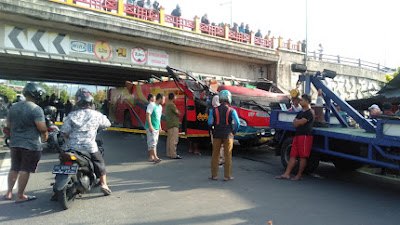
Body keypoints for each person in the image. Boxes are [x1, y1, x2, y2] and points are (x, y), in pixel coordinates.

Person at [60, 88, 112, 195]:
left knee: (62, 162)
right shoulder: (96, 115)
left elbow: (64, 131)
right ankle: (103, 184)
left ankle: (56, 188)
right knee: (99, 162)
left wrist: (71, 137)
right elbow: (107, 124)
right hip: (89, 146)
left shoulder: (72, 115)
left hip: (72, 147)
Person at [4, 83, 48, 203]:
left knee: (14, 168)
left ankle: (8, 193)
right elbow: (41, 127)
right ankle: (20, 195)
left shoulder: (14, 107)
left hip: (15, 143)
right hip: (30, 144)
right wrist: (45, 133)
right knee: (25, 169)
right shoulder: (36, 109)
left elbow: (8, 125)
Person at [276, 94, 314, 181]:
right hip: (297, 135)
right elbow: (294, 123)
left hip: (305, 136)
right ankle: (287, 174)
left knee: (302, 156)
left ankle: (299, 175)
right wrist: (298, 122)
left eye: (302, 100)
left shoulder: (309, 113)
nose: (300, 102)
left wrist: (298, 122)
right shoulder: (301, 113)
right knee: (293, 155)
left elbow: (300, 122)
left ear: (307, 102)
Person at [208, 90, 240, 181]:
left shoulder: (213, 110)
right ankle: (227, 176)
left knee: (215, 155)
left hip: (217, 134)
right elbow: (237, 123)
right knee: (227, 155)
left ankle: (214, 175)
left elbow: (210, 122)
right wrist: (234, 132)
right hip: (228, 135)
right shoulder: (232, 110)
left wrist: (214, 129)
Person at [145, 93, 165, 163]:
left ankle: (151, 157)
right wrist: (150, 126)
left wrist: (160, 127)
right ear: (160, 99)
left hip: (156, 127)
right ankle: (156, 157)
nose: (164, 101)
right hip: (151, 127)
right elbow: (148, 115)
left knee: (154, 142)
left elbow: (158, 118)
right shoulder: (152, 105)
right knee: (152, 142)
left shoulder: (160, 107)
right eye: (164, 99)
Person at [165, 93, 182, 159]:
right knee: (174, 140)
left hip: (169, 124)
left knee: (169, 140)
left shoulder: (167, 104)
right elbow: (178, 113)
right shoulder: (171, 105)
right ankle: (173, 154)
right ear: (173, 98)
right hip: (173, 125)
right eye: (175, 97)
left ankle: (169, 153)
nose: (176, 98)